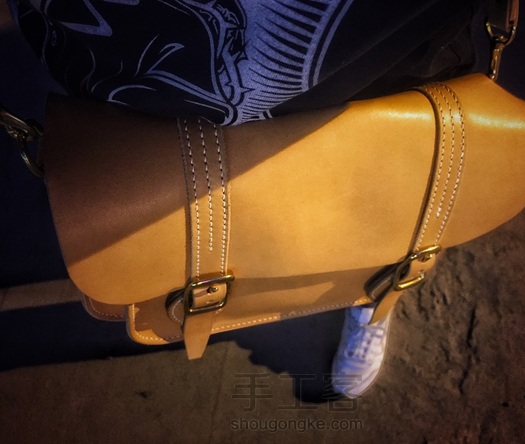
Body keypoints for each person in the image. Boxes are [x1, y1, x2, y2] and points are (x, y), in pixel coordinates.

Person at [9, 0, 487, 396]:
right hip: (138, 53)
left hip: (382, 42)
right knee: (156, 184)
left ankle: (376, 290)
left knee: (393, 174)